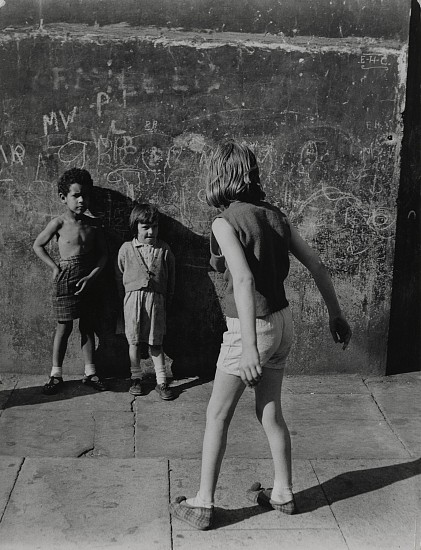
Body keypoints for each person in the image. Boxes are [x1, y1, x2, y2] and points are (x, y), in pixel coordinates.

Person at [170, 140, 352, 530]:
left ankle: (202, 503)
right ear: (251, 174)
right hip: (283, 323)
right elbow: (318, 265)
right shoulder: (276, 216)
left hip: (251, 328)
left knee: (217, 414)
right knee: (269, 410)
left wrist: (249, 346)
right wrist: (336, 315)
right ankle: (283, 492)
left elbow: (242, 278)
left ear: (218, 176)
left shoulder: (224, 222)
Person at [33, 167, 108, 395]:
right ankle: (56, 374)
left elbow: (104, 255)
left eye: (85, 195)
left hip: (89, 280)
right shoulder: (59, 223)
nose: (82, 200)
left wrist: (92, 276)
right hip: (65, 279)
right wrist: (55, 266)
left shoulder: (94, 225)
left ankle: (90, 372)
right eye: (76, 195)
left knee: (87, 327)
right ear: (63, 198)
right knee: (64, 327)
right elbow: (38, 245)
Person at [116, 203, 176, 400]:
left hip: (156, 301)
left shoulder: (164, 249)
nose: (151, 232)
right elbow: (120, 274)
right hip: (133, 301)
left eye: (155, 227)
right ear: (136, 228)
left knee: (155, 342)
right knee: (133, 340)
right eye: (145, 227)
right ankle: (136, 378)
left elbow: (171, 277)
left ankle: (161, 381)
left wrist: (168, 300)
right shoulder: (126, 249)